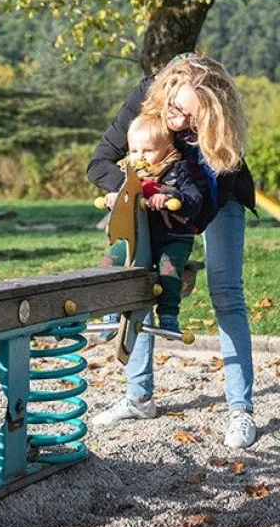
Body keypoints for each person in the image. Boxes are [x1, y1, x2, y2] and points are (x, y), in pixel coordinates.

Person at [87, 54, 257, 450]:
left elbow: (207, 202)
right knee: (141, 281)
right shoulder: (146, 97)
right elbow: (98, 164)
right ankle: (139, 397)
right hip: (155, 195)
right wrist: (136, 192)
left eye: (192, 119)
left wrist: (179, 246)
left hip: (215, 198)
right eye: (177, 110)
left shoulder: (218, 135)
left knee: (226, 292)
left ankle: (240, 409)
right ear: (166, 92)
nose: (179, 122)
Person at [100, 112, 206, 334]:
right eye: (135, 150)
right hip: (138, 236)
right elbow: (123, 196)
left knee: (168, 269)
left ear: (167, 150)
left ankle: (168, 315)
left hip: (172, 238)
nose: (140, 156)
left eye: (148, 150)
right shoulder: (129, 175)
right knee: (110, 262)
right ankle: (110, 311)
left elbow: (194, 200)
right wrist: (114, 199)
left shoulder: (179, 170)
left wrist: (171, 198)